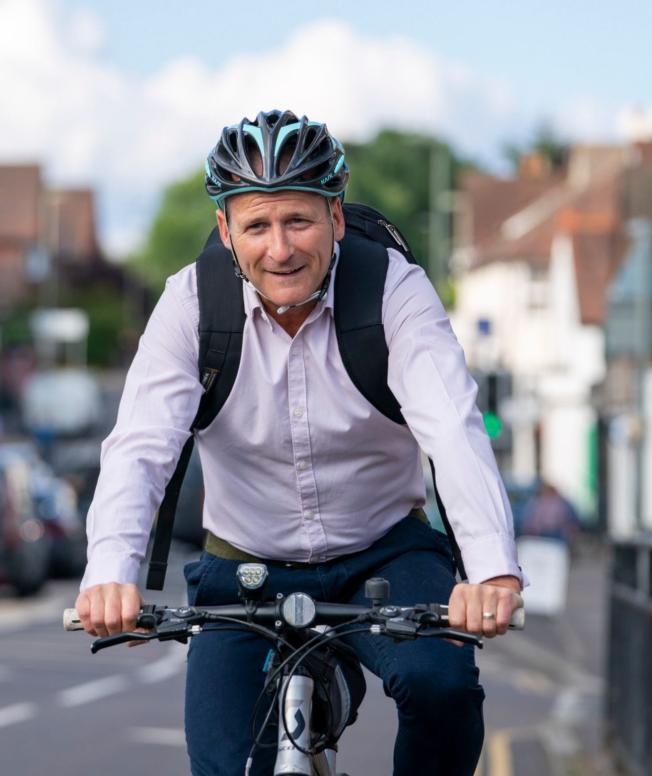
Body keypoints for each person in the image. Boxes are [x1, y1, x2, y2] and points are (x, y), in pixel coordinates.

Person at [75, 109, 525, 775]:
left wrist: (491, 570)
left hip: (385, 552)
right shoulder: (192, 305)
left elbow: (454, 427)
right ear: (226, 231)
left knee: (443, 685)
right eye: (257, 225)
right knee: (223, 762)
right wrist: (111, 574)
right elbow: (141, 446)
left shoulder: (394, 291)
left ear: (336, 219)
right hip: (245, 565)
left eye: (299, 221)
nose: (280, 248)